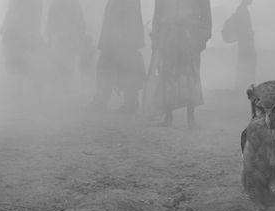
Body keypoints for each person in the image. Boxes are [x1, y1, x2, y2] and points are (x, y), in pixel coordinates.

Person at [150, 0, 212, 128]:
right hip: (168, 37)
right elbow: (158, 14)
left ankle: (191, 119)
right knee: (166, 75)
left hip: (190, 37)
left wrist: (202, 38)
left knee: (190, 76)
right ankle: (168, 117)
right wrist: (156, 37)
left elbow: (206, 17)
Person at [84, 0, 146, 114]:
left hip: (123, 38)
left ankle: (126, 103)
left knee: (124, 67)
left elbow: (127, 16)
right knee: (109, 67)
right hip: (115, 38)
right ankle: (106, 101)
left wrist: (119, 38)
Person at [0, 0, 44, 99]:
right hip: (24, 32)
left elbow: (12, 12)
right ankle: (22, 90)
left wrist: (6, 26)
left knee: (21, 62)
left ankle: (22, 91)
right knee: (21, 63)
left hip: (21, 32)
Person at [46, 0, 87, 91]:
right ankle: (59, 90)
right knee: (59, 68)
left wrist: (80, 38)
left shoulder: (73, 4)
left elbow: (81, 24)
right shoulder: (59, 3)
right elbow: (50, 22)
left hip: (68, 43)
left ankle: (63, 90)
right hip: (60, 42)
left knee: (67, 69)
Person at [229, 0, 257, 90]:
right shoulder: (242, 10)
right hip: (245, 42)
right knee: (246, 62)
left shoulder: (242, 9)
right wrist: (249, 33)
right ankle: (243, 85)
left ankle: (243, 85)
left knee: (244, 62)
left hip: (245, 42)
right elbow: (243, 27)